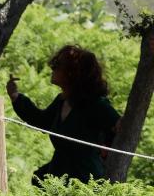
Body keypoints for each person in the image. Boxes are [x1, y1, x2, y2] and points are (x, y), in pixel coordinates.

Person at [7, 45, 120, 183]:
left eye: (57, 65)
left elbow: (119, 128)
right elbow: (42, 121)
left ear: (72, 72)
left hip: (85, 181)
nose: (52, 68)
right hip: (59, 176)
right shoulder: (61, 101)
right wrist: (16, 97)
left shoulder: (96, 104)